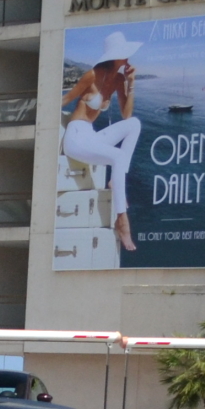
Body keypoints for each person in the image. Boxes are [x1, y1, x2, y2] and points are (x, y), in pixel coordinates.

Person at [61, 35, 142, 255]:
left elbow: (127, 115)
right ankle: (121, 220)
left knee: (135, 124)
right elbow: (67, 98)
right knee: (117, 156)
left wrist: (131, 83)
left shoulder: (117, 80)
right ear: (116, 54)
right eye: (124, 52)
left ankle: (116, 181)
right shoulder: (92, 75)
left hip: (91, 136)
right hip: (76, 136)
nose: (128, 57)